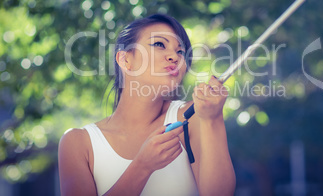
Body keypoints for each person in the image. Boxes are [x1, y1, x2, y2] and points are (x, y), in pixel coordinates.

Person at [58, 14, 236, 195]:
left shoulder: (193, 117)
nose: (174, 57)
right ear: (125, 60)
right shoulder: (77, 143)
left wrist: (212, 119)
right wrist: (142, 166)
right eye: (159, 44)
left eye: (180, 52)